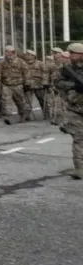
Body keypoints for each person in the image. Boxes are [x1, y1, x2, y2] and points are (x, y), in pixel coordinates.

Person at [53, 43, 83, 179]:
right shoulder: (66, 69)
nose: (70, 56)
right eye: (70, 53)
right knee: (79, 137)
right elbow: (57, 82)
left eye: (73, 53)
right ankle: (79, 168)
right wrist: (74, 85)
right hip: (75, 108)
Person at [0, 46, 30, 124]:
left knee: (20, 101)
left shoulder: (20, 62)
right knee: (6, 101)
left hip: (18, 85)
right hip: (6, 85)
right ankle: (8, 116)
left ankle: (23, 114)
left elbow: (26, 72)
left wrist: (27, 84)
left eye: (7, 51)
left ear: (12, 52)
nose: (6, 53)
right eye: (5, 51)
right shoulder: (2, 62)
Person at [22, 50, 48, 120]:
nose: (26, 56)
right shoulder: (23, 64)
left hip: (39, 85)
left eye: (28, 54)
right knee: (27, 101)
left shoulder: (40, 63)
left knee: (43, 100)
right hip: (28, 86)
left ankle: (46, 114)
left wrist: (45, 82)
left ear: (33, 56)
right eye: (26, 54)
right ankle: (27, 116)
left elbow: (45, 73)